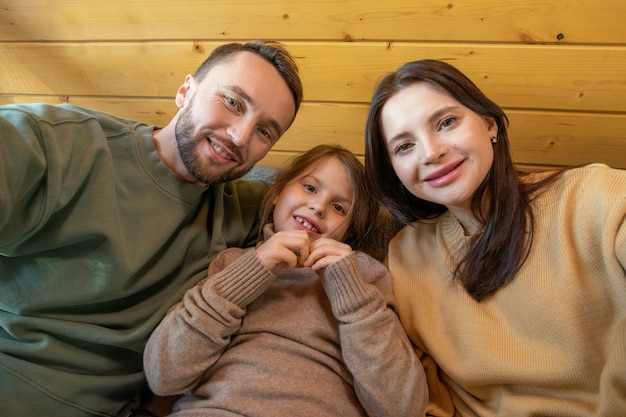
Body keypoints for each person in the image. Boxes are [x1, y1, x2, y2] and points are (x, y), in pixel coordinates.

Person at [0, 40, 303, 417]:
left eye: (265, 132)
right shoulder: (57, 142)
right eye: (233, 102)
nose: (240, 136)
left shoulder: (249, 210)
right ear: (185, 91)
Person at [364, 59, 626, 416]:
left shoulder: (593, 197)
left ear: (489, 124)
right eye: (404, 146)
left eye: (446, 123)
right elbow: (415, 392)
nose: (431, 152)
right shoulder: (404, 258)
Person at [143, 144, 428, 417]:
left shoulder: (366, 275)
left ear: (350, 232)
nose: (318, 207)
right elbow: (163, 376)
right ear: (278, 191)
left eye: (339, 208)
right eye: (310, 187)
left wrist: (351, 294)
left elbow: (403, 408)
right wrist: (251, 271)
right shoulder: (230, 263)